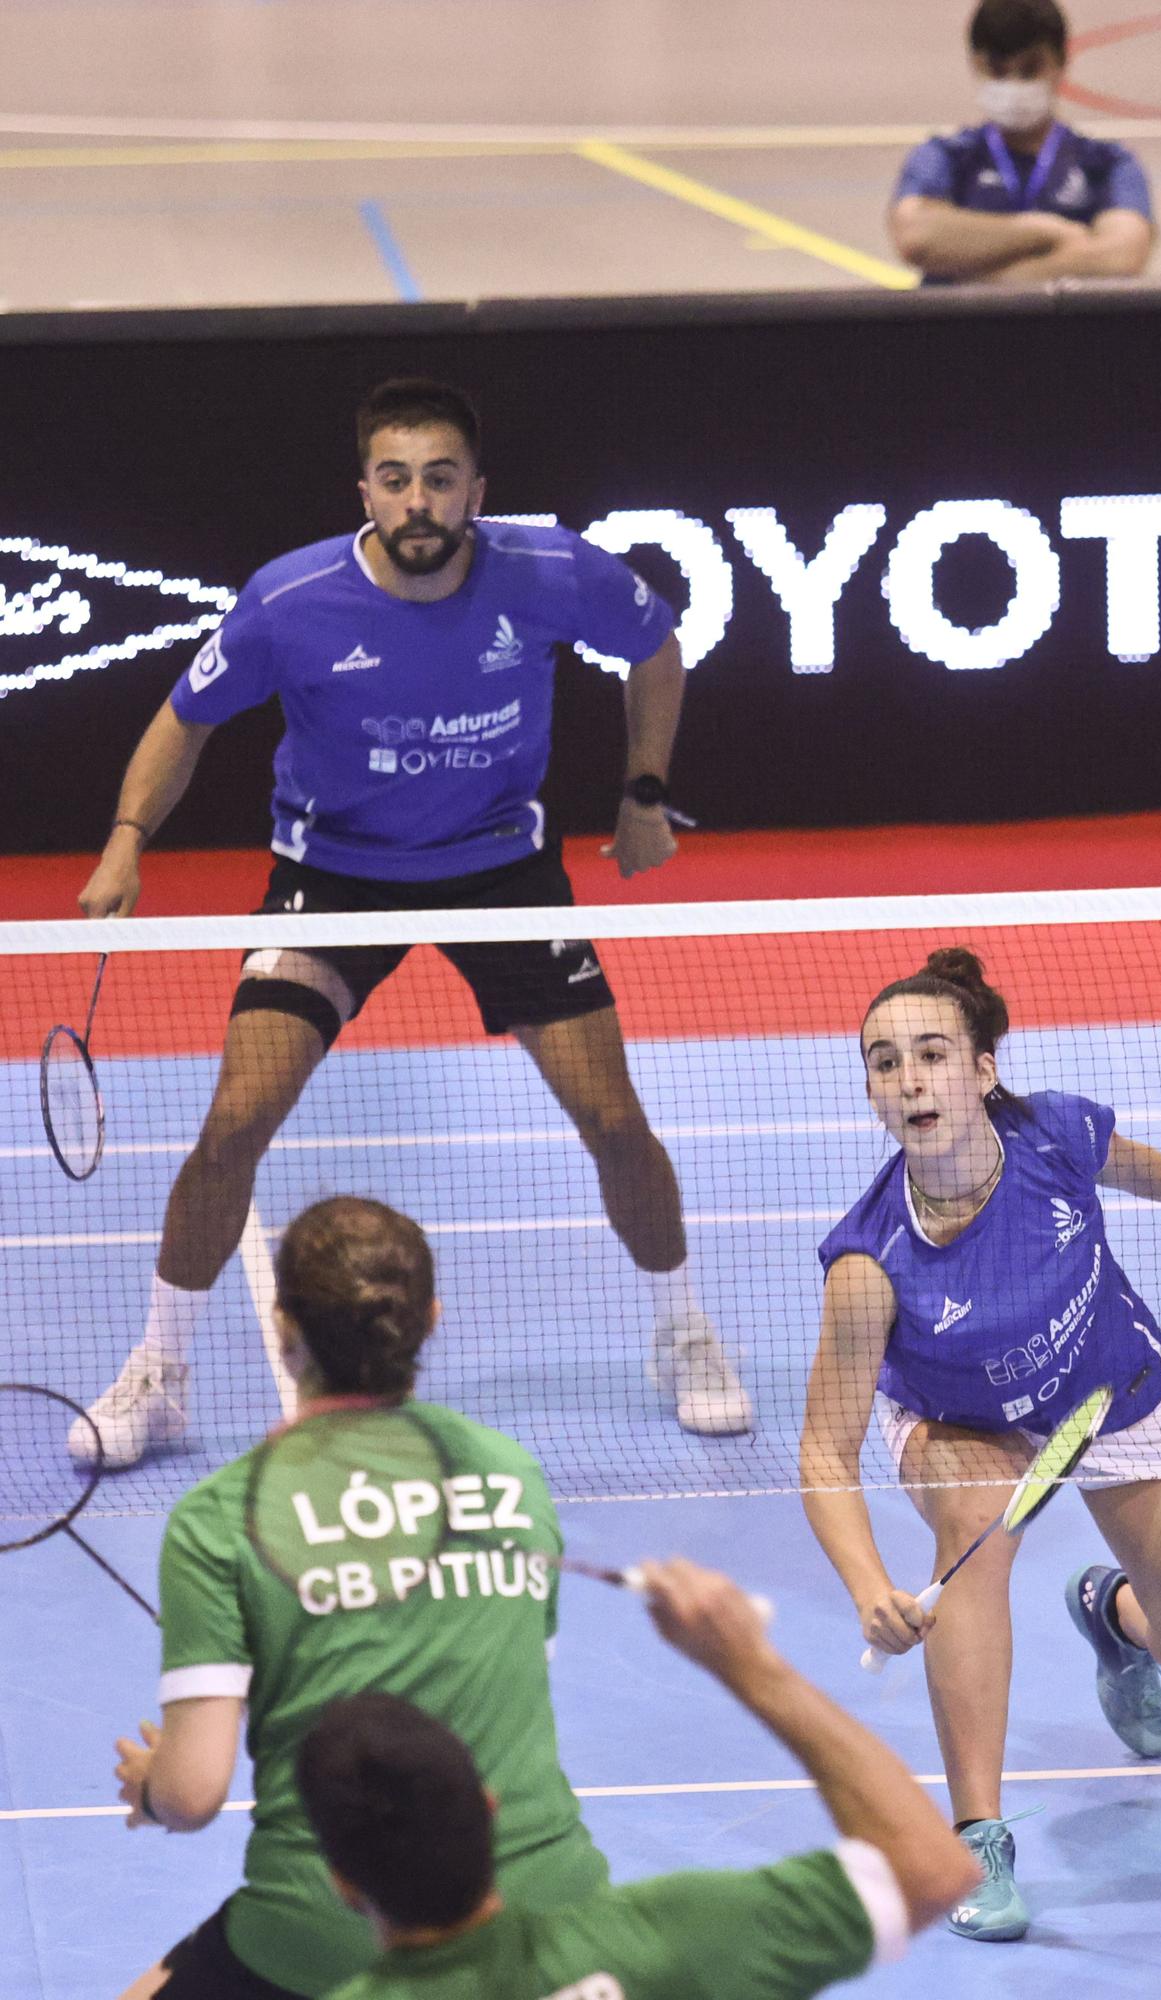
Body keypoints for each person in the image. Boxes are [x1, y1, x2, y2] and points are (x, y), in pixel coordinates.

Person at [72, 375, 750, 1464]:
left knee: (614, 1120)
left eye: (440, 479)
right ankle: (159, 1370)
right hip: (331, 877)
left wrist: (641, 790)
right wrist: (125, 838)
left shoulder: (548, 571)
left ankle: (683, 1332)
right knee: (236, 1120)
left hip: (500, 871)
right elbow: (183, 718)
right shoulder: (292, 601)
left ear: (477, 488)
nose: (418, 502)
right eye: (396, 480)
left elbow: (656, 647)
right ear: (365, 490)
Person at [799, 947, 1161, 1942]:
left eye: (932, 1053)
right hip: (963, 1418)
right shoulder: (870, 1265)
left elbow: (1133, 1163)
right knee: (970, 1519)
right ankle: (974, 1833)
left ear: (982, 1070)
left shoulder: (1051, 1131)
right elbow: (822, 1452)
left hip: (1110, 1390)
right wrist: (866, 1592)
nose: (908, 1078)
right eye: (883, 1062)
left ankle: (1115, 1611)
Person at [111, 1194, 611, 2000]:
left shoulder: (221, 1517)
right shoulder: (513, 1476)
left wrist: (152, 1785)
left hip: (327, 1929)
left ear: (282, 1329)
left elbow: (192, 1793)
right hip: (548, 1912)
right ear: (431, 1318)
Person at [294, 1560, 982, 2000]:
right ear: (490, 1811)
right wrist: (751, 1668)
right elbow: (931, 1869)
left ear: (343, 1883)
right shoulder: (665, 1940)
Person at [890, 0, 1155, 287]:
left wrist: (982, 280)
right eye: (998, 70)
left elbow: (1121, 256)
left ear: (1061, 62)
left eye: (1030, 69)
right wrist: (1046, 232)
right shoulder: (946, 154)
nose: (1014, 83)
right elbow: (917, 235)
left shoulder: (1107, 161)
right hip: (961, 332)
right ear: (976, 64)